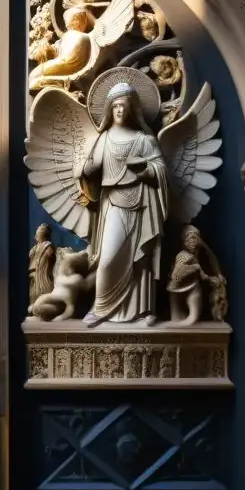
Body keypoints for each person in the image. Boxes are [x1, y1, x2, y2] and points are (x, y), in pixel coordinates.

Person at [77, 82, 169, 325]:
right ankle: (100, 308)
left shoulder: (144, 140)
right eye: (115, 106)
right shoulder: (104, 138)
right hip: (113, 204)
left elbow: (160, 169)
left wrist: (146, 170)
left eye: (123, 106)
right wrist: (86, 169)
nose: (119, 110)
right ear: (109, 109)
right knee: (107, 259)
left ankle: (143, 310)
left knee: (140, 258)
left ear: (132, 109)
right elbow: (90, 169)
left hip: (141, 204)